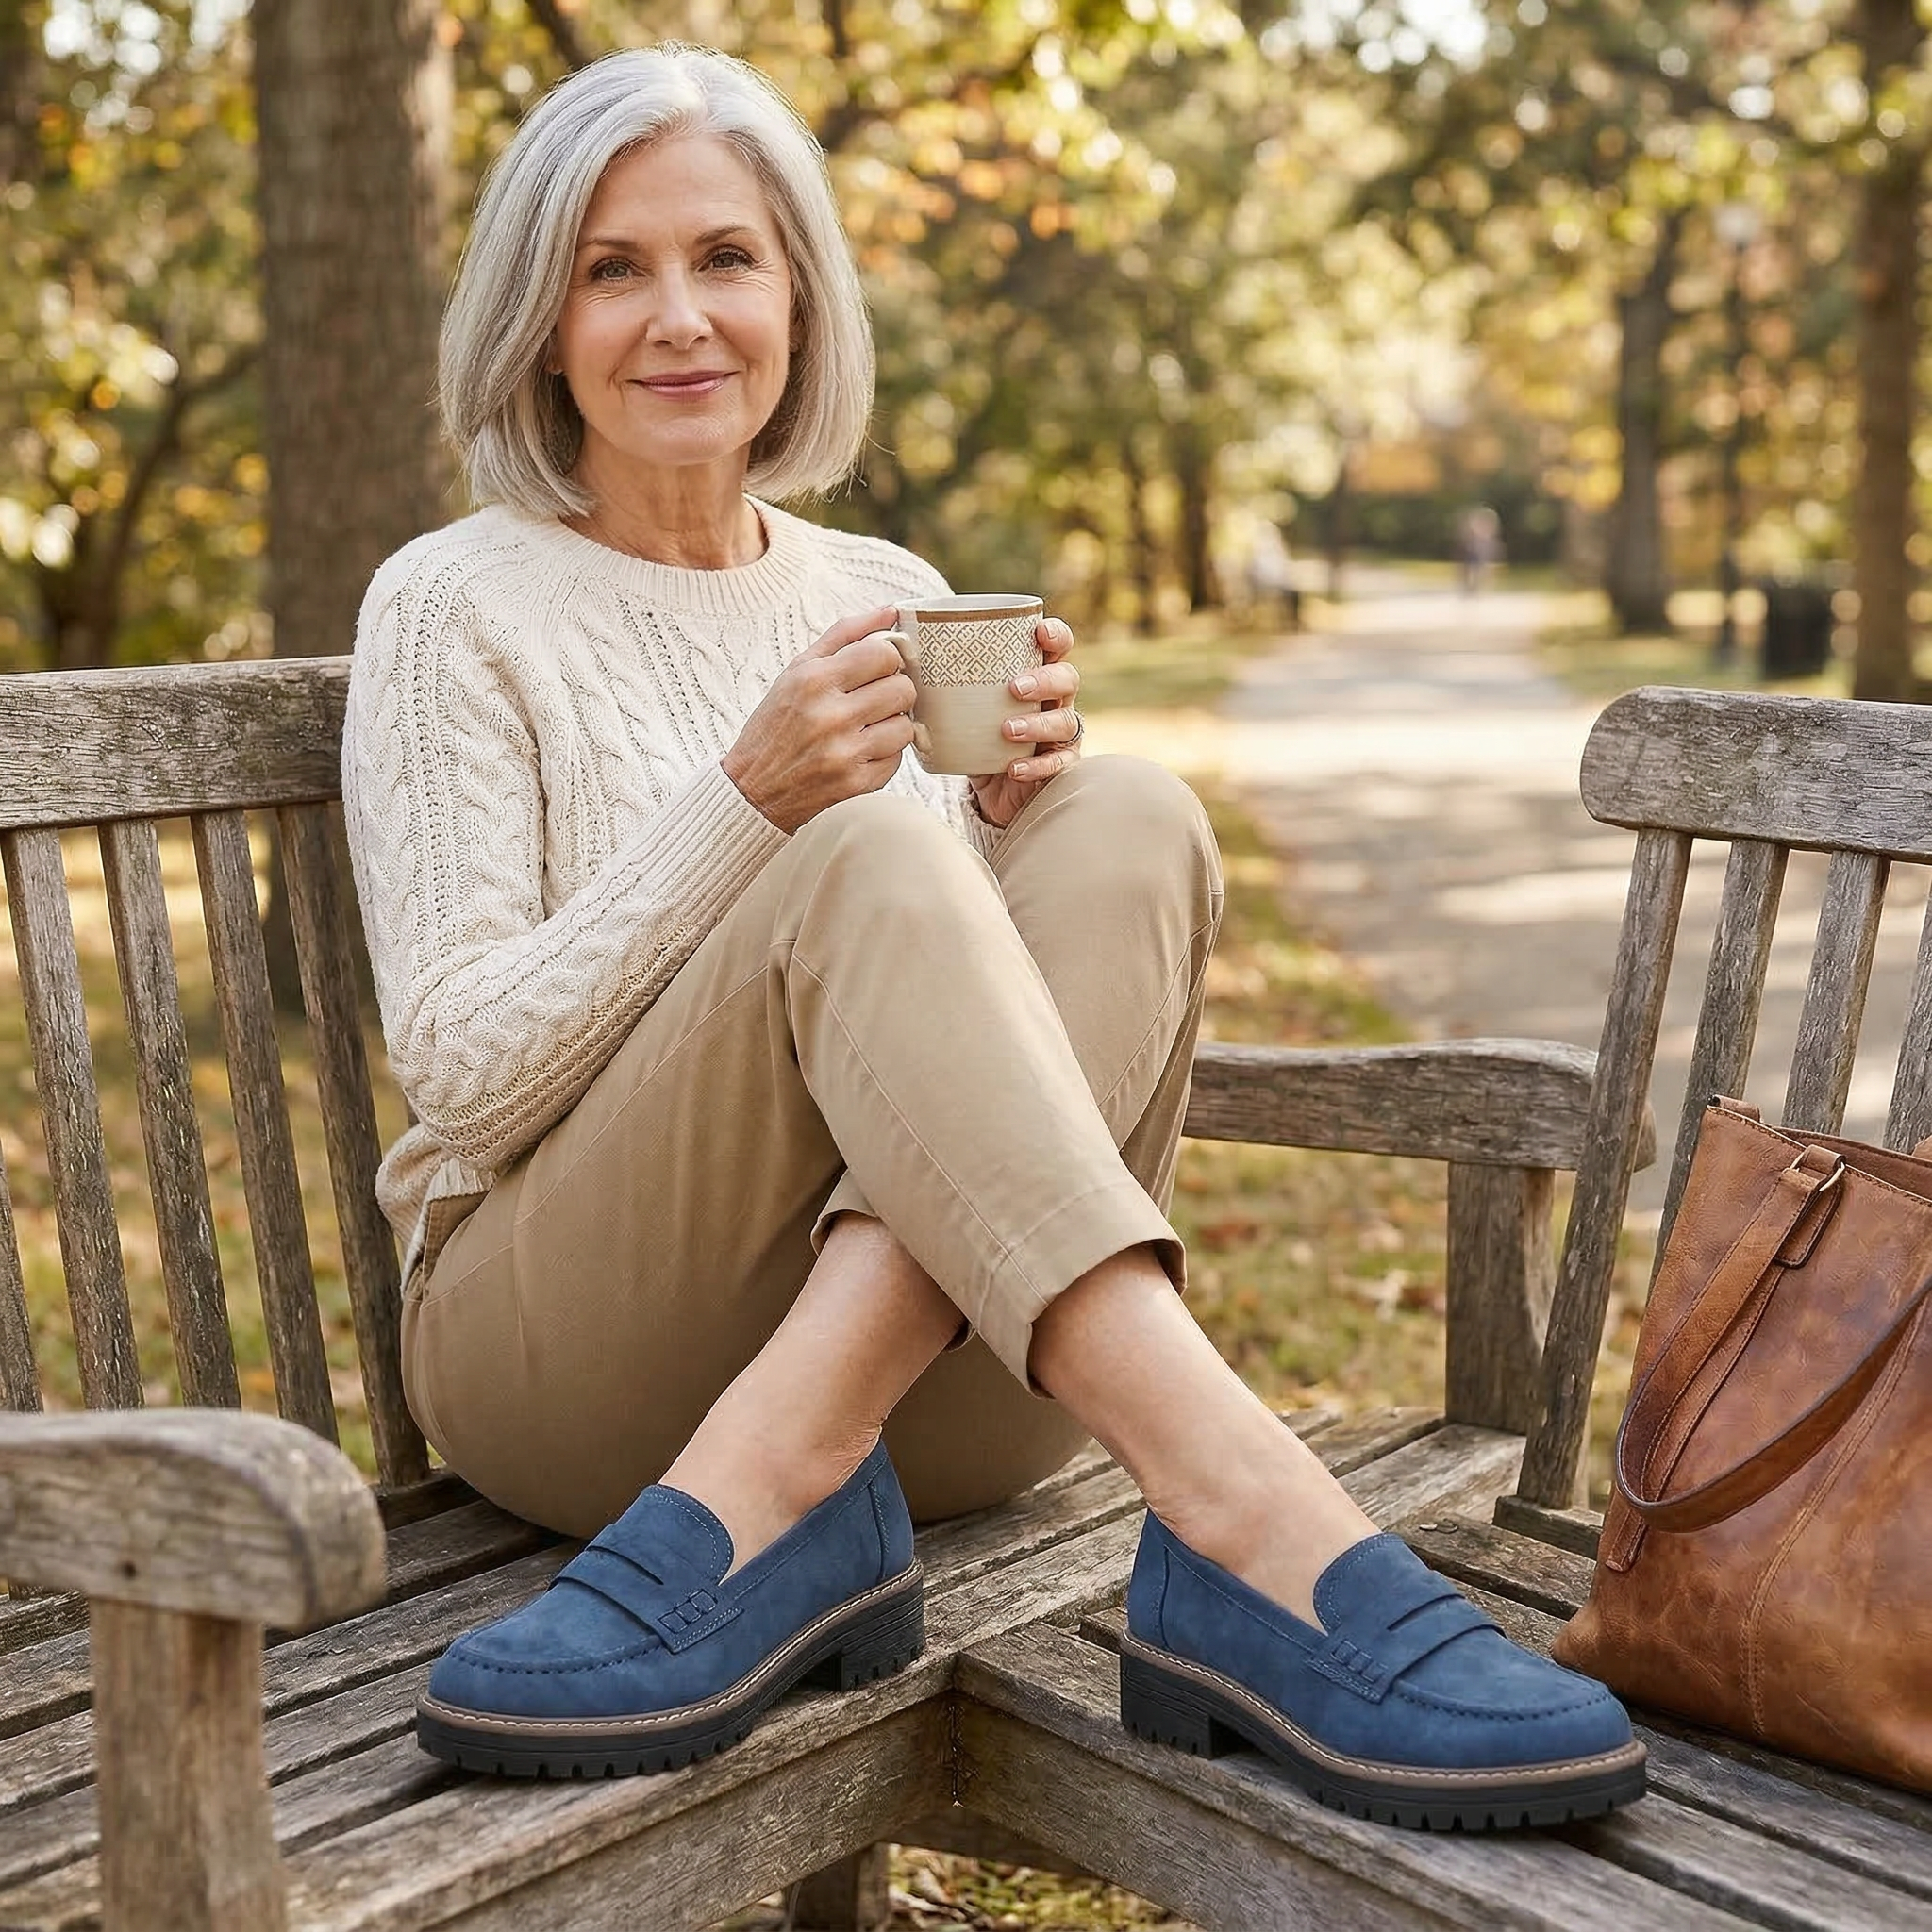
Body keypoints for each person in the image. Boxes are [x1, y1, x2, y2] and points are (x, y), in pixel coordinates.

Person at [341, 44, 1644, 1827]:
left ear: (799, 295)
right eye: (612, 268)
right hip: (568, 1371)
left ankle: (796, 1465)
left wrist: (1011, 825)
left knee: (1131, 816)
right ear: (538, 320)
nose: (680, 317)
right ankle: (1251, 1520)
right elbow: (467, 1082)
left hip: (945, 1403)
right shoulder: (452, 604)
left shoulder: (886, 594)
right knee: (859, 851)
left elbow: (934, 1047)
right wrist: (749, 804)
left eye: (726, 258)